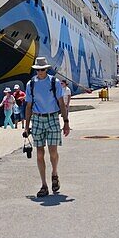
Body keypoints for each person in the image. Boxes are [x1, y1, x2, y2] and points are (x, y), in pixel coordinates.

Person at [23, 57, 71, 197]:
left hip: (52, 118)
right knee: (39, 154)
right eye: (38, 70)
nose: (40, 72)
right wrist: (26, 127)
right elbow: (28, 106)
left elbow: (61, 103)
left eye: (42, 69)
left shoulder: (54, 82)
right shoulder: (31, 84)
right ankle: (44, 185)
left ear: (47, 69)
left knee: (53, 152)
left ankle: (54, 174)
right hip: (37, 119)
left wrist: (66, 122)